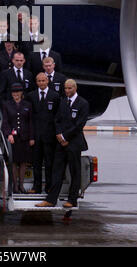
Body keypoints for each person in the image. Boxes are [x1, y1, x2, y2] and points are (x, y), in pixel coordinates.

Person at [35, 79, 89, 208]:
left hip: (74, 143)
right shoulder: (63, 102)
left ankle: (72, 199)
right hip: (61, 143)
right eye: (65, 88)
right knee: (57, 171)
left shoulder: (83, 103)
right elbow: (57, 119)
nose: (67, 91)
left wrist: (65, 136)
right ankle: (51, 199)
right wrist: (59, 135)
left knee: (74, 172)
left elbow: (79, 124)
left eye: (70, 88)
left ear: (75, 88)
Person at [26, 73, 60, 194]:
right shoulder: (31, 96)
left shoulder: (55, 96)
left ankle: (49, 186)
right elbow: (29, 117)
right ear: (36, 82)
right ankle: (37, 187)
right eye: (39, 81)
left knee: (49, 163)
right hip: (36, 137)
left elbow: (57, 117)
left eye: (43, 80)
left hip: (49, 137)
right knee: (36, 163)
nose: (41, 83)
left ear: (47, 81)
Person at [2, 83, 35, 193]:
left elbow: (31, 122)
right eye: (13, 92)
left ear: (21, 93)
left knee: (24, 161)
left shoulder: (28, 105)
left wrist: (31, 137)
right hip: (13, 137)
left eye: (18, 92)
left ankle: (21, 184)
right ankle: (15, 185)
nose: (15, 94)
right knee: (14, 162)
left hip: (24, 137)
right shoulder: (7, 105)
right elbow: (5, 122)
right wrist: (8, 134)